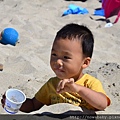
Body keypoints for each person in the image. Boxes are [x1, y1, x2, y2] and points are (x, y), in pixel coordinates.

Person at [1, 23, 110, 113]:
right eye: (54, 55)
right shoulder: (52, 84)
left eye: (66, 57)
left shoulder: (89, 83)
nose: (57, 61)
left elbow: (102, 104)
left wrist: (78, 89)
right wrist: (17, 103)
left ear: (85, 62)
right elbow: (34, 105)